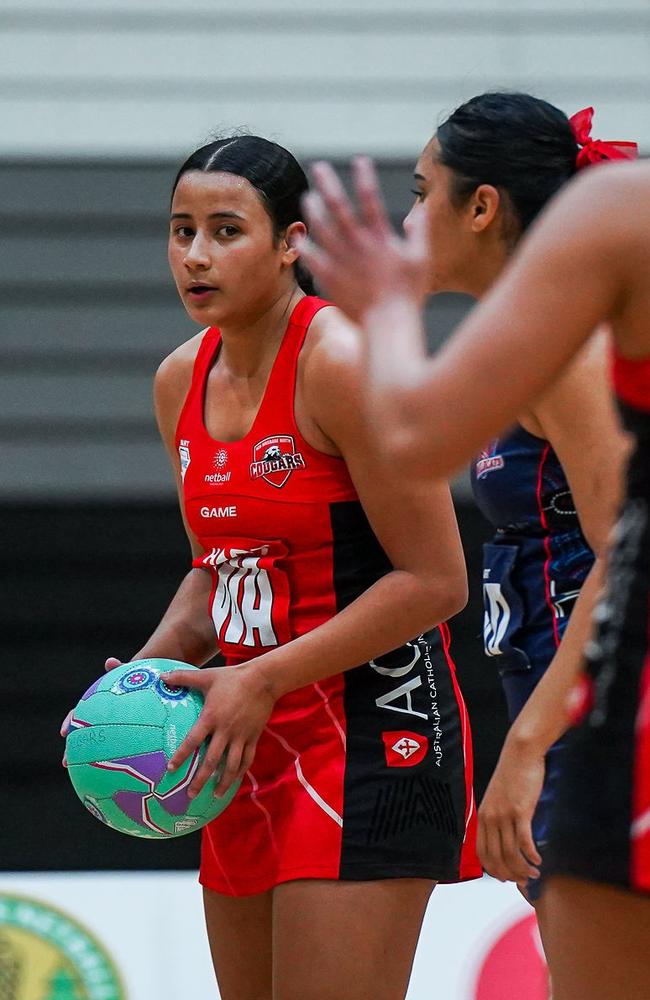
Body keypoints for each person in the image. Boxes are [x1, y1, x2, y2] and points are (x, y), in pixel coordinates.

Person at [67, 134, 481, 1000]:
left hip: (371, 734)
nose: (196, 256)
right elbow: (216, 568)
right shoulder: (178, 379)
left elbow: (437, 580)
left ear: (292, 242)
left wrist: (261, 678)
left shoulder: (342, 361)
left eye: (226, 231)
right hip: (240, 742)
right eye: (181, 232)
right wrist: (144, 672)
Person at [298, 145, 650, 998]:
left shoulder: (573, 341)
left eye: (422, 195)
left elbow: (622, 548)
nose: (412, 218)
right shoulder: (537, 335)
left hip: (598, 705)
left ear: (483, 206)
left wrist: (530, 745)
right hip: (564, 693)